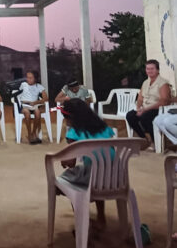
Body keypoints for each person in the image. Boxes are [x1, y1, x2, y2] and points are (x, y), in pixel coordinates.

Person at [59, 98, 115, 227]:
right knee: (98, 170)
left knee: (67, 179)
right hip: (115, 178)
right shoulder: (103, 127)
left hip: (93, 180)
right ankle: (101, 216)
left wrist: (64, 160)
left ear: (70, 118)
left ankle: (82, 222)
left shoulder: (74, 132)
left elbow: (71, 162)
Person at [126, 59, 170, 147]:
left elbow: (163, 101)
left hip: (157, 109)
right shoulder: (145, 82)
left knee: (145, 117)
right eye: (147, 69)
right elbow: (140, 99)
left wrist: (145, 109)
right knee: (130, 115)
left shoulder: (163, 83)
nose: (149, 71)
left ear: (157, 70)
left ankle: (155, 142)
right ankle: (144, 140)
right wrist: (138, 108)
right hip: (144, 108)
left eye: (152, 69)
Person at [18, 71, 48, 144]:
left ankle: (34, 132)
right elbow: (18, 95)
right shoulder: (23, 84)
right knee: (27, 113)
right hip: (24, 105)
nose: (28, 79)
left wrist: (35, 102)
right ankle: (29, 134)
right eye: (27, 77)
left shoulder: (39, 86)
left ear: (35, 79)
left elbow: (45, 98)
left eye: (31, 78)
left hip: (34, 104)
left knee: (37, 112)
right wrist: (22, 101)